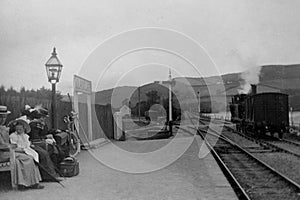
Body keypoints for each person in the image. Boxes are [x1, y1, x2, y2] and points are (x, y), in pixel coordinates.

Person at [0, 105, 44, 190]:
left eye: (4, 117)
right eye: (0, 117)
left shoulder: (3, 128)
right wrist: (10, 146)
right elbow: (2, 145)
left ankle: (27, 182)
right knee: (27, 158)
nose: (2, 120)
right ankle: (26, 183)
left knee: (26, 158)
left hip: (8, 151)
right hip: (2, 153)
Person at [9, 118, 62, 182]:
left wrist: (30, 145)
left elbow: (27, 142)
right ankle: (49, 176)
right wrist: (24, 148)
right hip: (20, 150)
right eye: (17, 129)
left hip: (28, 147)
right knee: (42, 154)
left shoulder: (25, 135)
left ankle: (52, 174)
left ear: (23, 129)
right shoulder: (13, 136)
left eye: (20, 129)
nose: (19, 131)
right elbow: (14, 146)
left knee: (44, 152)